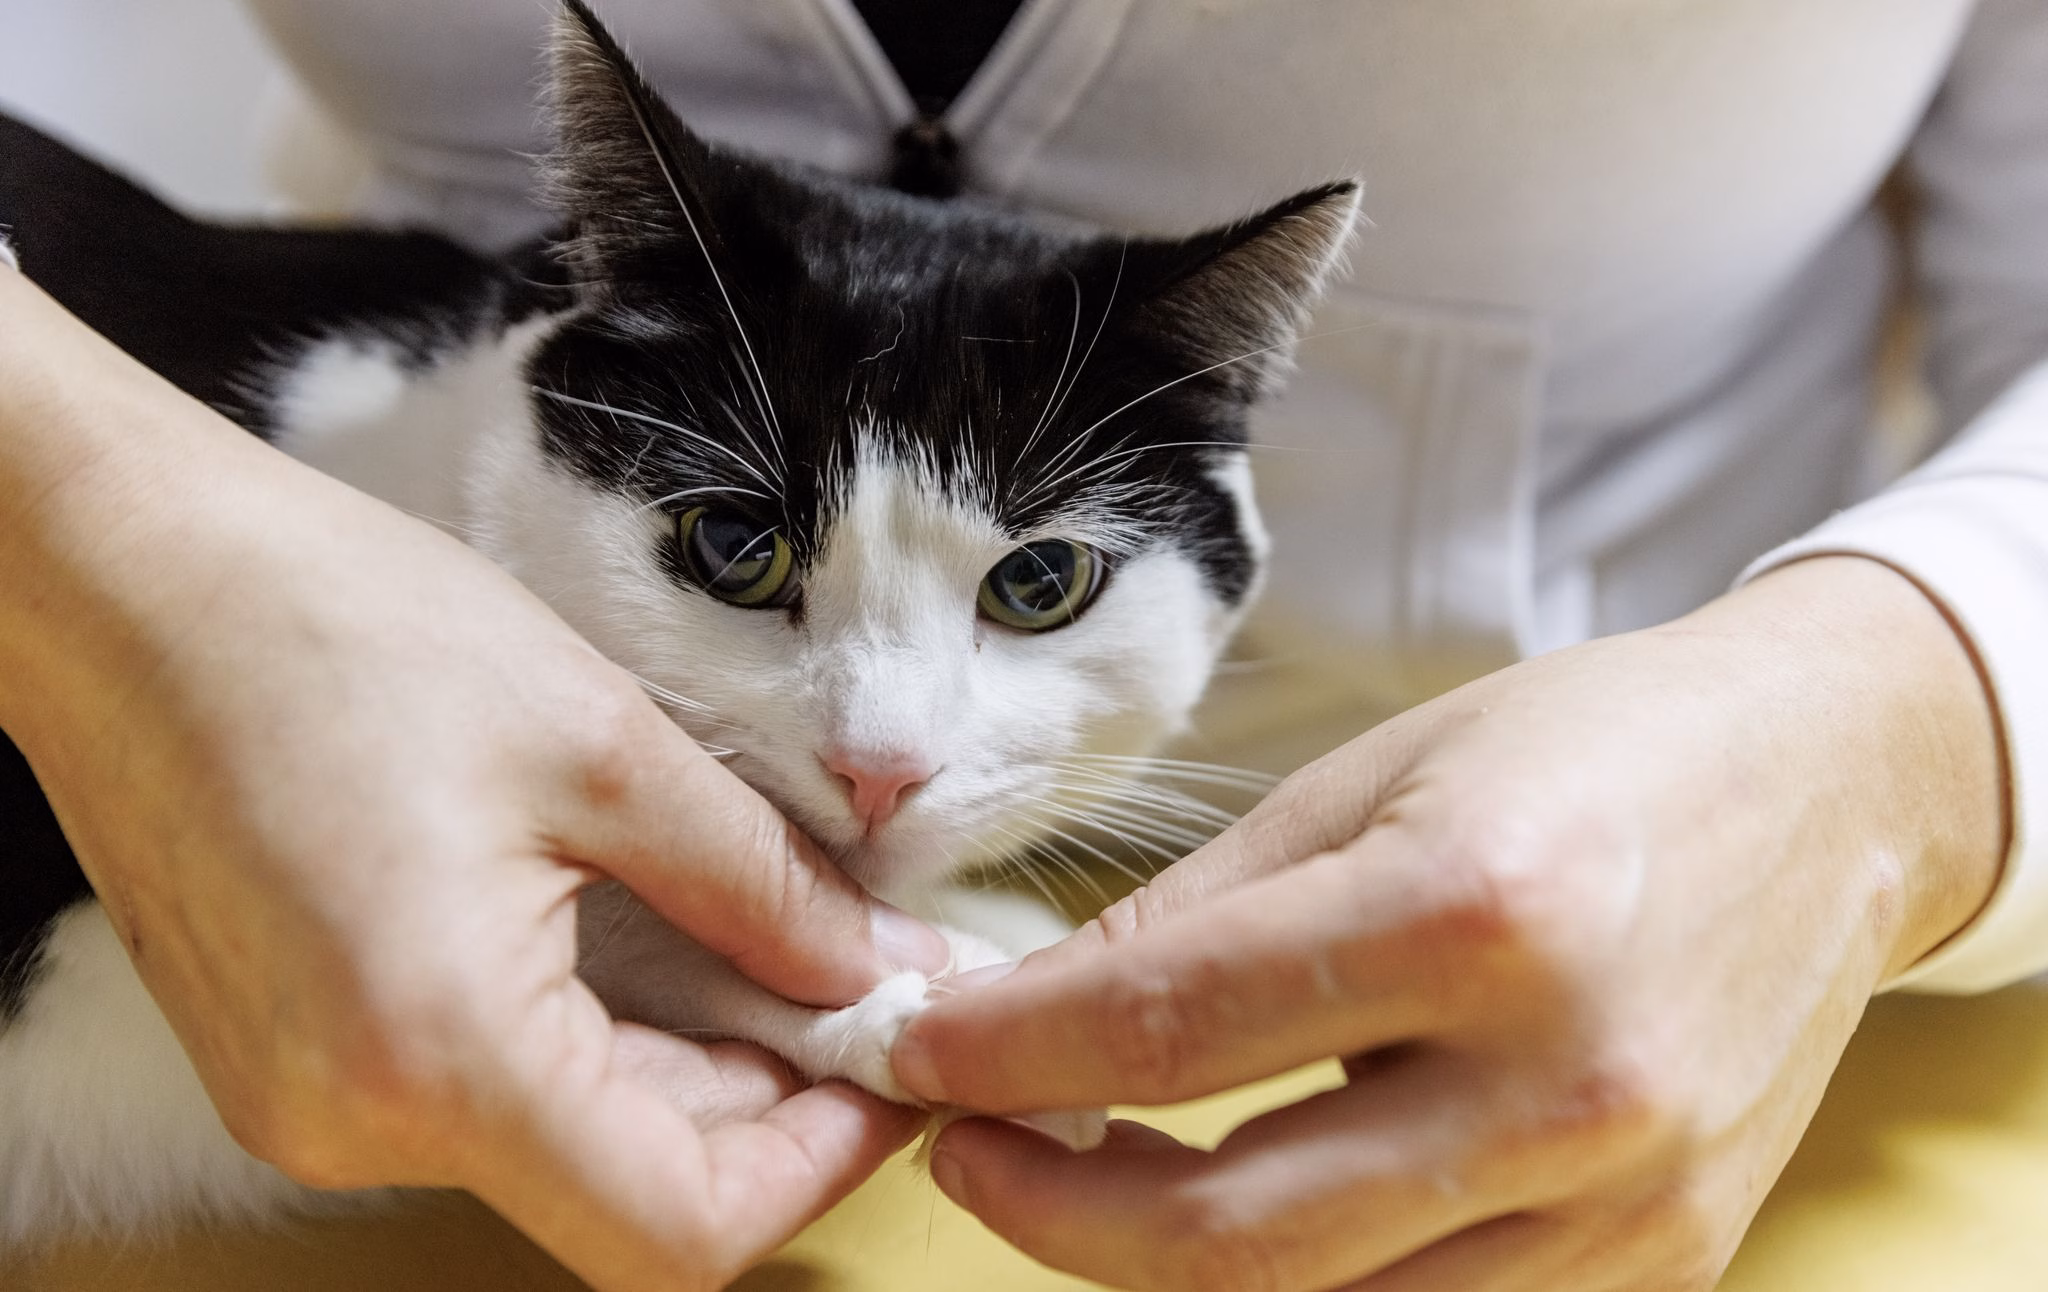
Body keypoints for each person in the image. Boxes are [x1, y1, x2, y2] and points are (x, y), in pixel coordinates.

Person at [6, 0, 2047, 1288]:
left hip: (1698, 1038)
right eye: (734, 551)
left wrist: (1901, 734)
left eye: (1038, 590)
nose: (881, 753)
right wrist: (73, 526)